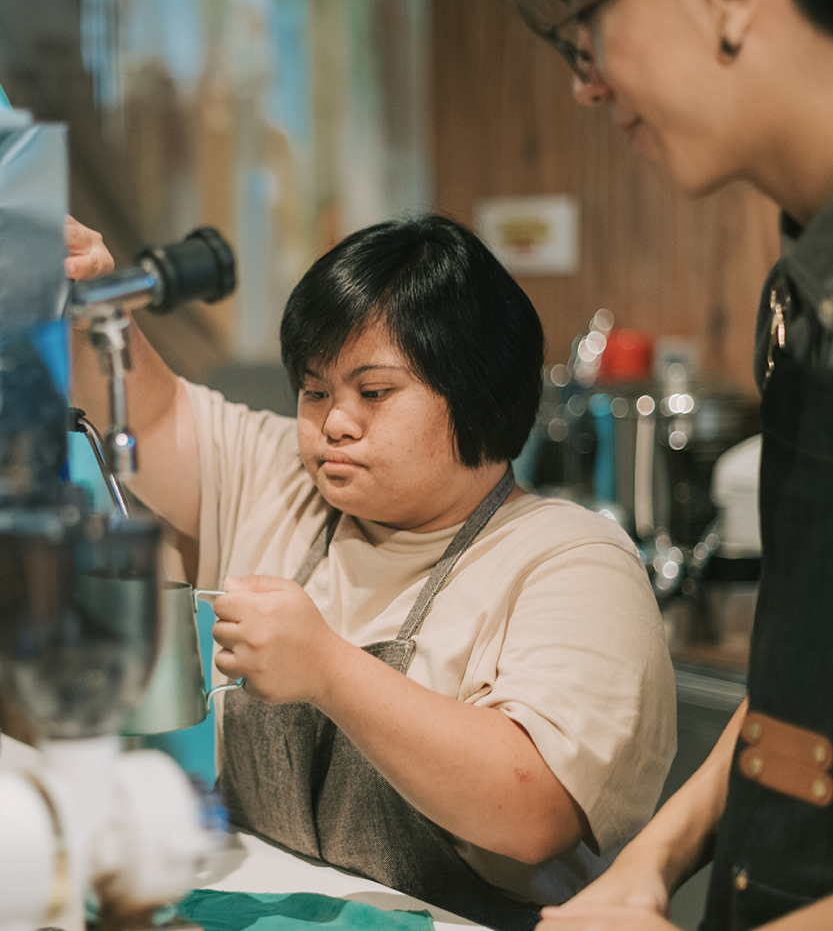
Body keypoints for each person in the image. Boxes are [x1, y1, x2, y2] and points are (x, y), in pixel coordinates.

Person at [71, 212, 675, 931]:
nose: (334, 424)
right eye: (315, 392)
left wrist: (327, 669)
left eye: (375, 392)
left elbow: (533, 809)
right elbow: (156, 408)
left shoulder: (571, 560)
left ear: (475, 390)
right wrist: (85, 293)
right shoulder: (283, 482)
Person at [500, 0, 833, 929]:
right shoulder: (798, 292)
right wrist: (646, 868)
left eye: (582, 34)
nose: (585, 86)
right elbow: (798, 692)